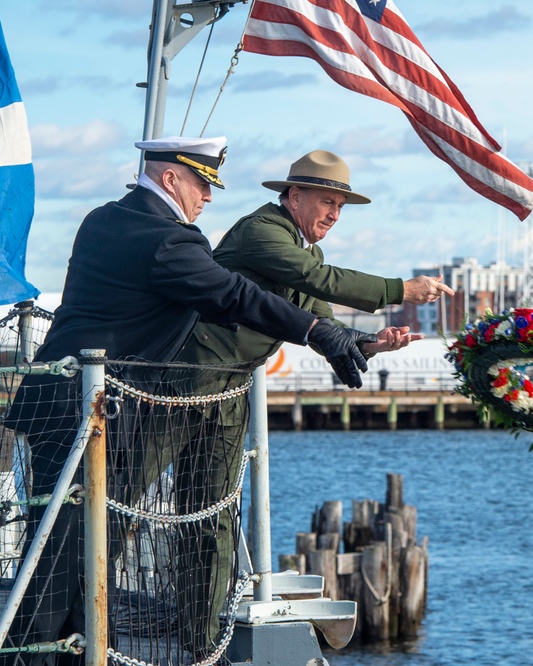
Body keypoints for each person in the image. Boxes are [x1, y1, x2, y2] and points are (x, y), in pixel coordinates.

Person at [0, 137, 369, 665]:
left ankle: (76, 656)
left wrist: (326, 330)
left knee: (77, 546)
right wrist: (315, 330)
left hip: (71, 401)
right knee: (65, 554)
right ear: (171, 178)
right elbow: (233, 294)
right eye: (202, 183)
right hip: (86, 408)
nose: (209, 197)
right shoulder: (168, 241)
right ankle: (23, 659)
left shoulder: (103, 218)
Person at [168, 149, 454, 656]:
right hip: (186, 381)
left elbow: (324, 328)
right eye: (327, 202)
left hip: (228, 386)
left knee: (211, 509)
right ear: (293, 196)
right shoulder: (263, 232)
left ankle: (202, 636)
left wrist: (372, 343)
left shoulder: (301, 248)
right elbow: (320, 283)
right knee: (144, 494)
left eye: (341, 207)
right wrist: (401, 289)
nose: (334, 215)